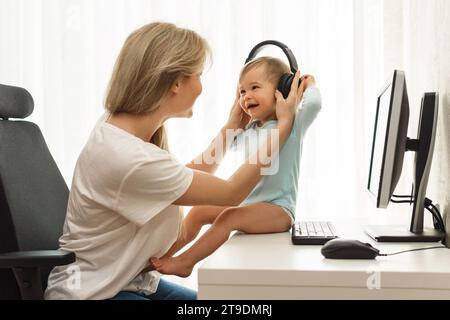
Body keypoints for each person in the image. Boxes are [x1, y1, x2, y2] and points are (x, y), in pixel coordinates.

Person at [44, 22, 303, 300]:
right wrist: (283, 127)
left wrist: (232, 127)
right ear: (176, 83)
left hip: (129, 281)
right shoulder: (128, 156)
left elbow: (184, 176)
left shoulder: (120, 128)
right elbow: (232, 192)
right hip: (92, 293)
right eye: (198, 75)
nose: (201, 87)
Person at [149, 56, 321, 277]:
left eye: (254, 88)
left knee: (229, 218)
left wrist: (309, 84)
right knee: (199, 211)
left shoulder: (293, 124)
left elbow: (314, 104)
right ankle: (160, 260)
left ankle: (186, 262)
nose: (246, 96)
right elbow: (218, 151)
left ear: (282, 89)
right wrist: (233, 122)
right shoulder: (250, 129)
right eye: (241, 92)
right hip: (250, 204)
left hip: (277, 209)